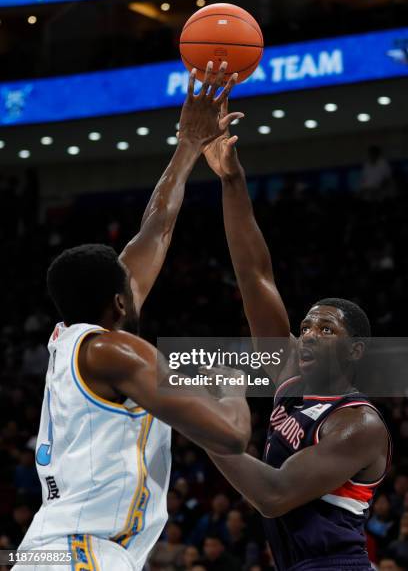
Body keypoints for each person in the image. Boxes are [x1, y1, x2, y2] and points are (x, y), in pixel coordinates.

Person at [14, 63, 251, 571]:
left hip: (56, 548)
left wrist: (189, 145)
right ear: (119, 303)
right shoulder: (114, 351)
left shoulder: (71, 339)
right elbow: (231, 435)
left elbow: (156, 231)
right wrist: (230, 376)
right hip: (81, 555)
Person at [202, 102, 392, 571]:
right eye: (305, 325)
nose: (306, 334)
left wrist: (200, 422)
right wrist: (231, 181)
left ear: (354, 349)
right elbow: (254, 274)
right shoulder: (289, 372)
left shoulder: (357, 425)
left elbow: (273, 494)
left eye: (325, 329)